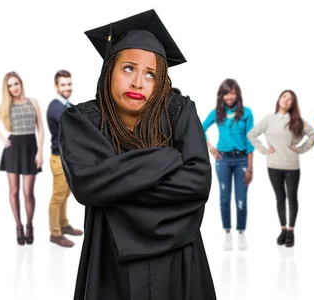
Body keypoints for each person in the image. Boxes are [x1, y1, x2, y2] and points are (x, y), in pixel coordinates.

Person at [58, 9, 216, 299]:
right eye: (129, 68)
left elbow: (198, 182)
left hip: (179, 259)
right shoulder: (83, 120)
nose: (138, 83)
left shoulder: (179, 111)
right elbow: (88, 185)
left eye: (151, 74)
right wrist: (167, 158)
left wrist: (116, 185)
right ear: (110, 70)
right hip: (110, 259)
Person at [247, 90, 314, 247]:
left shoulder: (297, 120)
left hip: (292, 165)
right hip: (274, 165)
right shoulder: (269, 119)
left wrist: (300, 149)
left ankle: (291, 230)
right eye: (284, 97)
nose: (286, 100)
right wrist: (265, 150)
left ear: (293, 104)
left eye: (290, 99)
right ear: (279, 99)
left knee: (292, 197)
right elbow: (252, 134)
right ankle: (283, 229)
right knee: (280, 198)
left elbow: (313, 134)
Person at [0, 71, 44, 245]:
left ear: (21, 83)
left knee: (28, 192)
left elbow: (40, 128)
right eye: (10, 85)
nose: (14, 88)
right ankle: (18, 226)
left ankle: (29, 225)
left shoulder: (33, 102)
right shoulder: (5, 106)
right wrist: (3, 139)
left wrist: (40, 152)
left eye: (16, 84)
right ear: (7, 88)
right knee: (14, 191)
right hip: (13, 149)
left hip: (30, 147)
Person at [202, 78, 255, 251]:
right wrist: (210, 147)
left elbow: (250, 141)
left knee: (241, 199)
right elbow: (200, 128)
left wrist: (250, 168)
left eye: (232, 92)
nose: (229, 96)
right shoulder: (217, 113)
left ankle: (241, 233)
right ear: (221, 96)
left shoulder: (246, 113)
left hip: (241, 160)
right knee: (224, 198)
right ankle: (227, 233)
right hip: (223, 159)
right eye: (226, 93)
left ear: (237, 94)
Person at [46, 70, 83, 248]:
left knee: (66, 194)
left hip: (66, 157)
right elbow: (74, 126)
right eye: (63, 85)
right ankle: (55, 233)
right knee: (57, 196)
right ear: (56, 87)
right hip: (58, 158)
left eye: (69, 84)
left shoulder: (67, 105)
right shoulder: (56, 107)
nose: (67, 88)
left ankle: (64, 224)